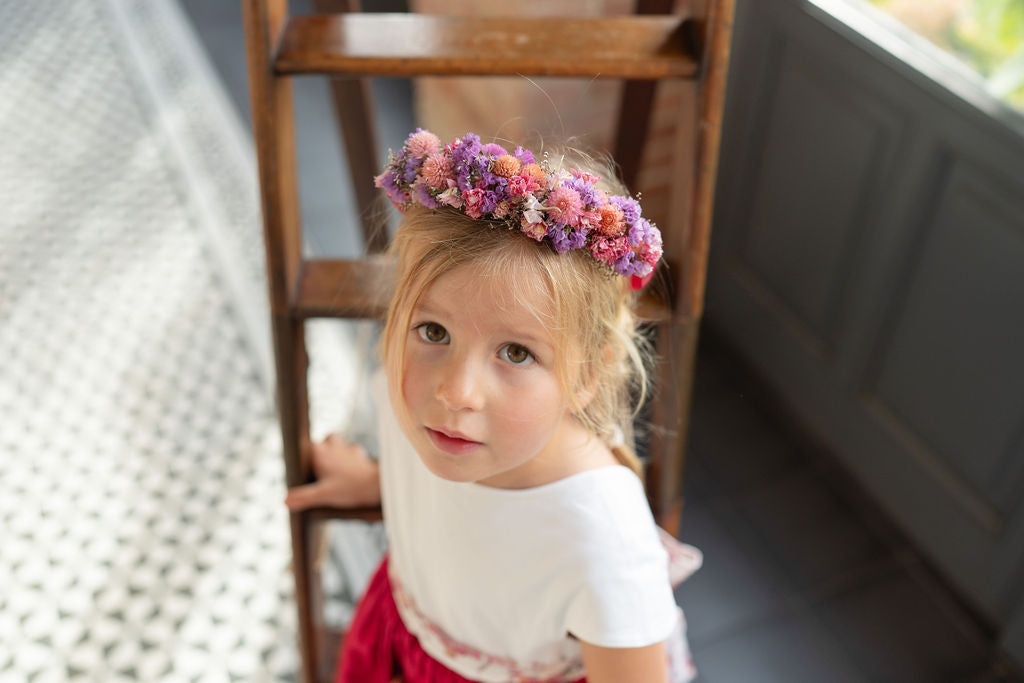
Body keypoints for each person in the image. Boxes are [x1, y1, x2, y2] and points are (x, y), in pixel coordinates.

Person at [285, 129, 701, 683]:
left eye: (516, 353)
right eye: (433, 330)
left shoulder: (603, 541)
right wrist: (383, 485)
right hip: (403, 635)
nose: (456, 392)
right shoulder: (416, 400)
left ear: (588, 374)